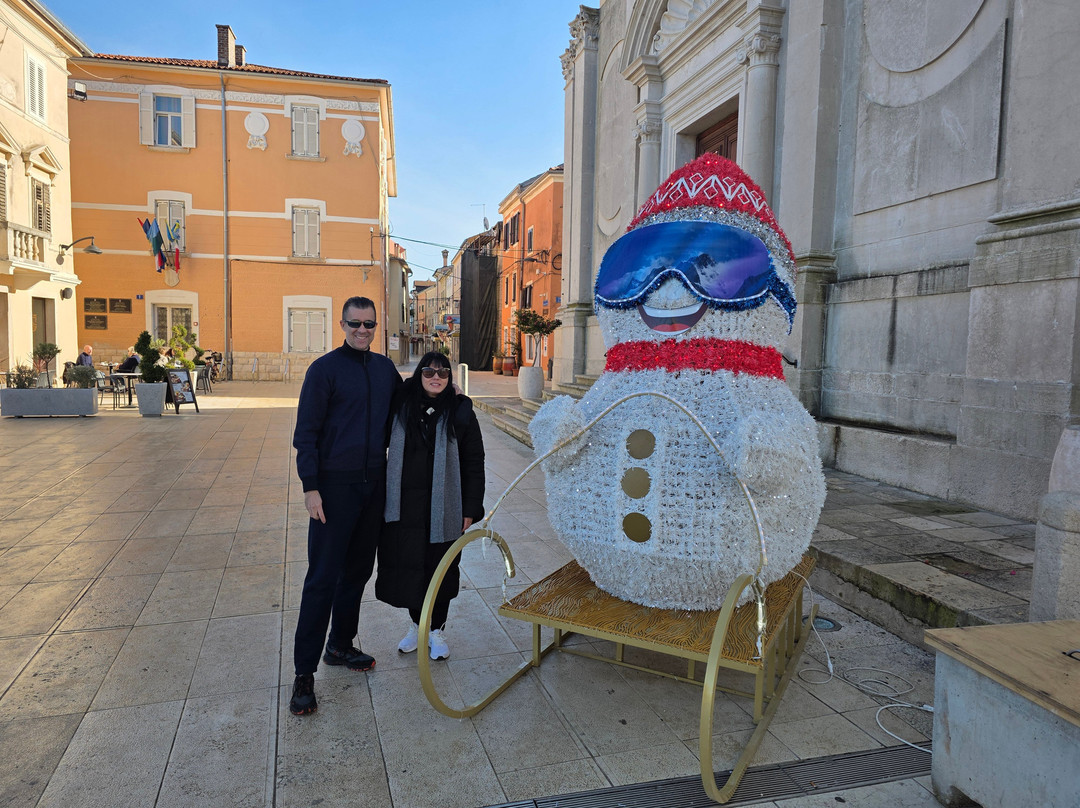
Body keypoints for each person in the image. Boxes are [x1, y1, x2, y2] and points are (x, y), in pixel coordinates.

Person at [289, 296, 401, 716]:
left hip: (373, 487)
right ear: (342, 323)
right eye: (355, 323)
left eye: (369, 325)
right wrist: (311, 486)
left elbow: (407, 406)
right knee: (321, 579)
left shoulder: (384, 369)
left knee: (357, 572)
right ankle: (304, 674)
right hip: (333, 491)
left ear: (376, 327)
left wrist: (448, 391)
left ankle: (340, 644)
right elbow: (306, 433)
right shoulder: (324, 371)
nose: (362, 330)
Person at [377, 351, 486, 661]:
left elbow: (474, 461)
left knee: (441, 569)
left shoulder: (462, 411)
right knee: (411, 567)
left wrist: (470, 508)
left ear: (450, 378)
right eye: (428, 372)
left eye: (442, 372)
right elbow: (395, 390)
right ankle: (417, 625)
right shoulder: (402, 405)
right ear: (419, 375)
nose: (435, 377)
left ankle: (436, 629)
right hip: (406, 505)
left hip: (445, 506)